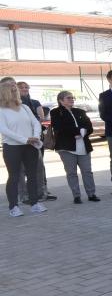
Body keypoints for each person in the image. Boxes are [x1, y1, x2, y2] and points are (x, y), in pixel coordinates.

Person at [0, 77, 45, 216]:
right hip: (12, 146)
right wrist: (25, 139)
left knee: (32, 175)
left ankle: (34, 203)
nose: (15, 92)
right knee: (14, 176)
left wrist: (36, 137)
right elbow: (5, 130)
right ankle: (14, 207)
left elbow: (35, 123)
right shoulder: (1, 110)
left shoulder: (24, 107)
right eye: (12, 90)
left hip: (30, 145)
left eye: (16, 90)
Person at [49, 91, 99, 204]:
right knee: (71, 173)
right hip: (66, 147)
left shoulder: (80, 111)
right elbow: (59, 128)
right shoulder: (56, 112)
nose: (72, 99)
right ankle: (76, 196)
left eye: (72, 97)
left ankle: (91, 194)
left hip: (84, 146)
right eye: (68, 98)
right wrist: (76, 132)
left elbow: (89, 127)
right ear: (61, 100)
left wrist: (83, 132)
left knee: (87, 171)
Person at [17, 81, 54, 202]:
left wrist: (36, 132)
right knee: (22, 168)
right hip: (21, 139)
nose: (24, 89)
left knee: (39, 166)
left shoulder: (34, 102)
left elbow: (41, 119)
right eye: (21, 87)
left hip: (36, 137)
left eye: (26, 87)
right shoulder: (14, 104)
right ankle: (24, 194)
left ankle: (42, 191)